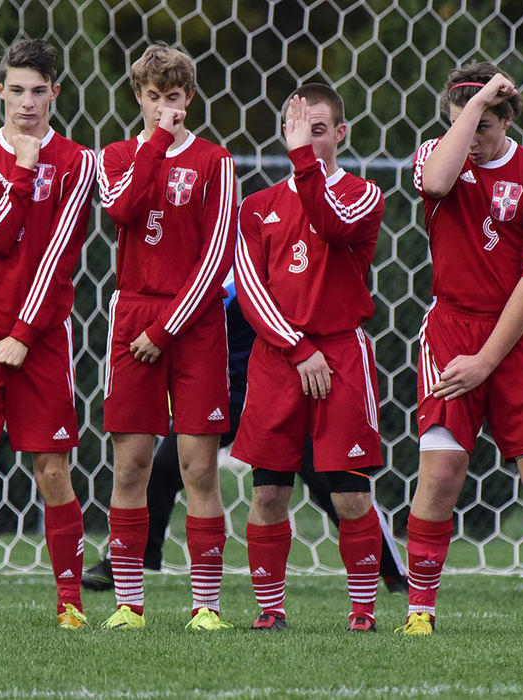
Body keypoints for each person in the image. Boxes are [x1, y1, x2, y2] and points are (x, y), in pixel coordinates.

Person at [398, 61, 523, 639]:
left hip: (519, 336)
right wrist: (474, 101)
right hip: (451, 329)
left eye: (484, 125)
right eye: (461, 123)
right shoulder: (438, 160)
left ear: (508, 121)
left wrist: (487, 360)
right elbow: (435, 183)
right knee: (441, 473)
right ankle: (419, 613)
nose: (473, 138)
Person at [82, 280, 408, 593]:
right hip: (223, 398)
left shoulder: (259, 264)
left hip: (280, 396)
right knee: (163, 468)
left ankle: (394, 575)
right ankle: (126, 562)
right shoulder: (202, 271)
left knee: (337, 485)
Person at [0, 38, 96, 629]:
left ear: (55, 93)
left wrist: (27, 332)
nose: (27, 102)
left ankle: (71, 605)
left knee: (53, 470)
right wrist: (23, 167)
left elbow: (60, 254)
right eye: (17, 90)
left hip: (42, 338)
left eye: (39, 91)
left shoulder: (80, 163)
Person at [232, 83, 386, 632]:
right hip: (279, 359)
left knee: (349, 494)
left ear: (340, 134)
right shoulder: (256, 208)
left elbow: (330, 222)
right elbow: (250, 290)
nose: (307, 140)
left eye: (318, 130)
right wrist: (297, 350)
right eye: (299, 130)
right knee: (269, 490)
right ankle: (270, 610)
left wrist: (303, 161)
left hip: (342, 354)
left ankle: (363, 612)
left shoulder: (363, 195)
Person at [97, 43, 237, 631]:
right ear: (139, 98)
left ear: (190, 98)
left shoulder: (215, 161)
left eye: (173, 98)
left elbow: (218, 255)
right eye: (153, 98)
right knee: (129, 465)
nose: (163, 109)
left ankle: (205, 606)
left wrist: (167, 328)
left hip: (193, 323)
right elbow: (121, 212)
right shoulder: (116, 156)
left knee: (197, 468)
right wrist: (154, 145)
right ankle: (129, 605)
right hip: (132, 317)